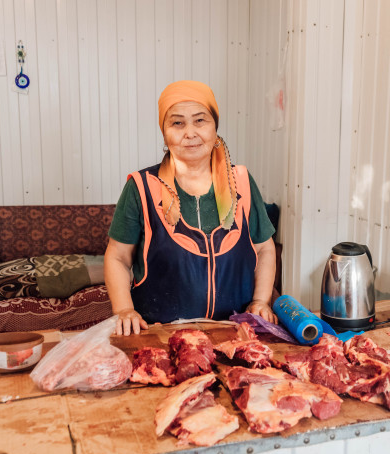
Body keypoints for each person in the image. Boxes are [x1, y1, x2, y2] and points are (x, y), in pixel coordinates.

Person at [105, 80, 278, 335]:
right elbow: (118, 257)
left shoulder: (240, 182)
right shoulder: (141, 187)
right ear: (164, 133)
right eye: (177, 123)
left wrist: (261, 301)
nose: (190, 132)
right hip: (160, 335)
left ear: (214, 127)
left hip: (235, 332)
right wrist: (123, 310)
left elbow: (264, 249)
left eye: (200, 120)